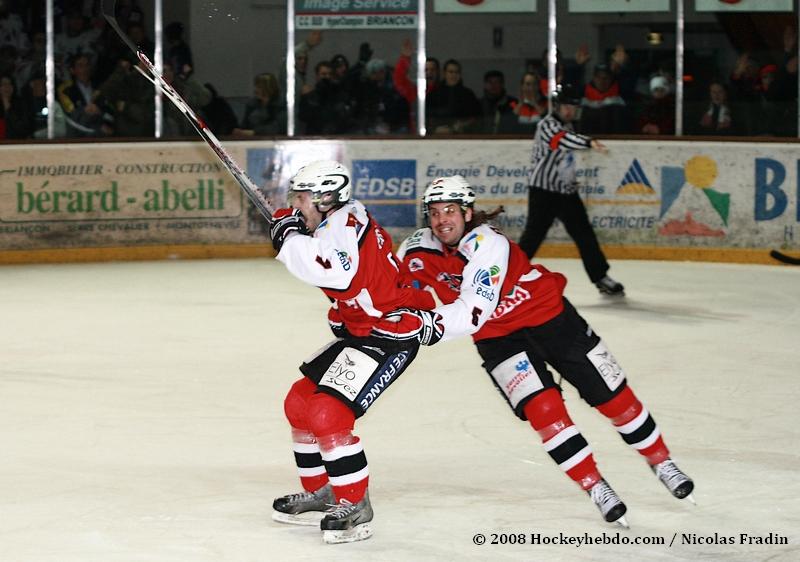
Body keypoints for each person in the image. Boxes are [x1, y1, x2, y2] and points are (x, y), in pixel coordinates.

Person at [380, 175, 695, 526]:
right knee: (543, 411)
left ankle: (661, 461)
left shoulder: (487, 242)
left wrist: (422, 325)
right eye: (435, 212)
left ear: (467, 213)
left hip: (550, 317)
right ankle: (594, 485)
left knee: (612, 397)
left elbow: (472, 312)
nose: (442, 220)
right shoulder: (416, 249)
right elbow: (395, 289)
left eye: (450, 210)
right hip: (498, 339)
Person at [267, 160, 439, 544]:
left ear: (326, 198)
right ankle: (323, 492)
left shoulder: (342, 225)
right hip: (363, 331)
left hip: (390, 333)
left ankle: (356, 504)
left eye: (302, 199)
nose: (296, 206)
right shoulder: (338, 220)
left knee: (328, 412)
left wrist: (290, 238)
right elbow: (338, 269)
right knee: (299, 402)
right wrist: (297, 233)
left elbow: (339, 274)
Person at [518, 84, 624, 296]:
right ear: (557, 106)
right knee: (533, 236)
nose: (569, 111)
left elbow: (564, 160)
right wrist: (589, 142)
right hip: (543, 191)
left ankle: (600, 276)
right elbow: (560, 140)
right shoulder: (547, 125)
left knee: (584, 234)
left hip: (565, 191)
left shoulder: (568, 125)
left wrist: (570, 180)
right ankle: (509, 276)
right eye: (566, 106)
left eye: (573, 107)